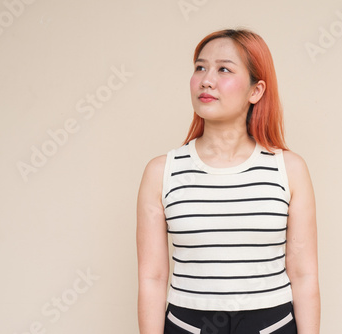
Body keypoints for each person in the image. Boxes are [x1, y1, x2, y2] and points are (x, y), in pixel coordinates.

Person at [137, 28, 320, 334]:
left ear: (256, 91)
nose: (206, 80)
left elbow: (303, 274)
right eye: (200, 67)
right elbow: (152, 277)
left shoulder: (289, 169)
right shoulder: (161, 171)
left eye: (223, 69)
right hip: (187, 324)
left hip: (272, 325)